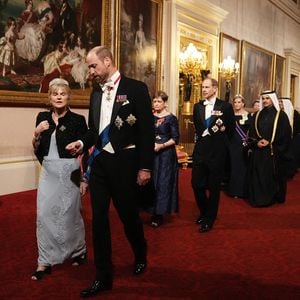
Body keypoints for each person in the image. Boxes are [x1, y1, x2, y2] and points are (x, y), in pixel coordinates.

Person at [65, 46, 155, 297]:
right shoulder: (96, 93)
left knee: (128, 217)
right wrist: (82, 144)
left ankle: (140, 252)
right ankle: (103, 276)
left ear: (107, 61)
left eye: (93, 66)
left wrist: (145, 166)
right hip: (100, 166)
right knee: (100, 221)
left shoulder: (136, 89)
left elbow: (146, 131)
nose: (91, 71)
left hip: (125, 164)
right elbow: (94, 130)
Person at [31, 78, 88, 280]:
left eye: (62, 93)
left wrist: (84, 179)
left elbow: (86, 151)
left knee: (71, 215)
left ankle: (79, 251)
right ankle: (44, 261)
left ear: (68, 96)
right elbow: (36, 147)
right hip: (48, 172)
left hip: (70, 172)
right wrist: (36, 133)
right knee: (44, 215)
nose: (59, 97)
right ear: (49, 97)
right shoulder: (42, 117)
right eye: (55, 94)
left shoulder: (78, 120)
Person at [191, 78, 235, 233]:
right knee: (196, 184)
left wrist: (220, 146)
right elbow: (198, 129)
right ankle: (204, 211)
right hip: (200, 152)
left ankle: (209, 219)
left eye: (207, 87)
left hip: (217, 153)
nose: (203, 90)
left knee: (214, 188)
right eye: (202, 87)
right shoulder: (197, 107)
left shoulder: (226, 107)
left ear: (215, 89)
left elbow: (230, 131)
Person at [247, 91, 292, 207]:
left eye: (268, 98)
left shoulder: (281, 116)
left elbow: (285, 135)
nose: (265, 100)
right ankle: (257, 198)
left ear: (273, 99)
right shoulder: (257, 115)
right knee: (257, 174)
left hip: (272, 153)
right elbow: (251, 133)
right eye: (264, 98)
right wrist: (257, 142)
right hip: (258, 151)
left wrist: (270, 142)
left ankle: (269, 198)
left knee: (268, 175)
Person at [150, 91, 179, 227]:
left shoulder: (171, 118)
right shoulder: (150, 117)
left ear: (165, 103)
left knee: (163, 182)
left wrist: (161, 146)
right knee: (151, 181)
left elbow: (175, 138)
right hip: (151, 154)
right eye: (154, 101)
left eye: (159, 101)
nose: (156, 104)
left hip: (166, 155)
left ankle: (159, 214)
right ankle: (150, 209)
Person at [227, 94, 250, 198]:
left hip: (243, 144)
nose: (237, 104)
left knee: (243, 167)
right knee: (233, 166)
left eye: (239, 102)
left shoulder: (248, 115)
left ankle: (243, 191)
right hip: (232, 144)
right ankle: (234, 190)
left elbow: (251, 131)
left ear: (243, 103)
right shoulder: (230, 115)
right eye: (235, 102)